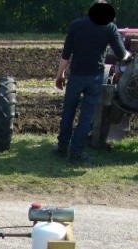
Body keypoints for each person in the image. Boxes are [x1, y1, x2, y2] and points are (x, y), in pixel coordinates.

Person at [55, 0, 130, 165]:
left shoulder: (76, 25)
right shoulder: (109, 27)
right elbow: (120, 53)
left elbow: (66, 54)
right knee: (86, 117)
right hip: (94, 78)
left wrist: (59, 75)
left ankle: (61, 148)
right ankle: (76, 153)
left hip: (75, 76)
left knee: (68, 112)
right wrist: (129, 56)